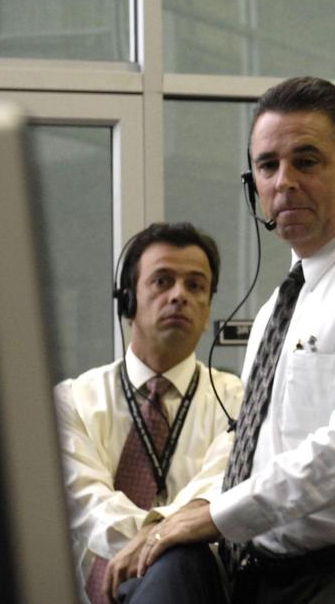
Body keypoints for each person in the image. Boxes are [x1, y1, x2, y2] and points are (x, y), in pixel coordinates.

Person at [122, 77, 335, 604]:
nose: (284, 181)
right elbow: (256, 445)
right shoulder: (280, 304)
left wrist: (220, 517)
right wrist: (179, 517)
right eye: (268, 165)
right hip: (275, 576)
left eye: (306, 161)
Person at [56, 222, 243, 604]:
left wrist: (164, 538)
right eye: (162, 281)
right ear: (128, 300)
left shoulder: (237, 400)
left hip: (197, 588)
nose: (179, 296)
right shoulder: (72, 401)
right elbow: (88, 508)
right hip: (88, 594)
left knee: (183, 555)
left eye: (195, 286)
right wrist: (163, 531)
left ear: (208, 310)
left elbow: (218, 494)